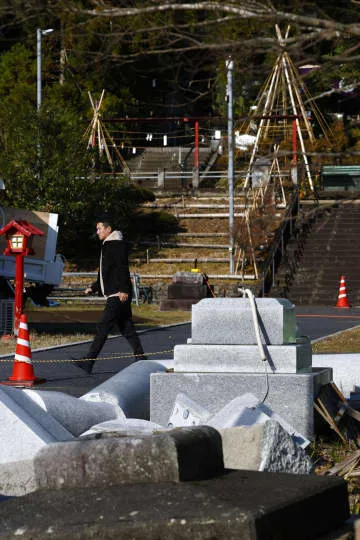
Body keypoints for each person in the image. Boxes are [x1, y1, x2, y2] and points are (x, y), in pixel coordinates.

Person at [74, 216, 146, 374]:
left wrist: (125, 290)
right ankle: (141, 358)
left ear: (108, 229)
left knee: (103, 327)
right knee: (127, 328)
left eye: (99, 228)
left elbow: (122, 268)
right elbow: (106, 272)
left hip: (118, 294)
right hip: (116, 292)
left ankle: (89, 361)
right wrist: (93, 287)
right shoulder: (108, 245)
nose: (97, 231)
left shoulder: (116, 244)